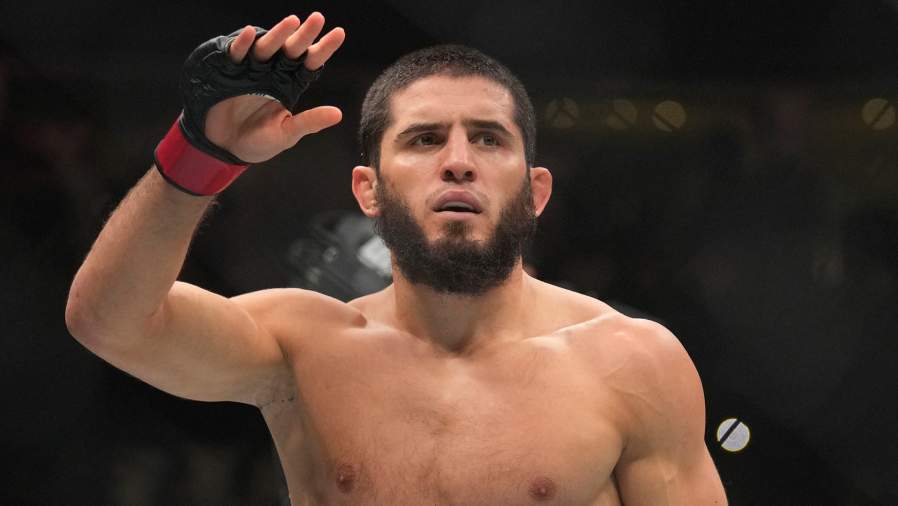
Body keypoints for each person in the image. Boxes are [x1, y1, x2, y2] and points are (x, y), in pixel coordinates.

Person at [65, 11, 728, 505]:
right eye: (424, 139)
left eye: (489, 139)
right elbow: (107, 321)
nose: (459, 161)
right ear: (369, 191)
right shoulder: (303, 346)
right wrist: (202, 152)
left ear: (535, 192)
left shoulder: (630, 362)